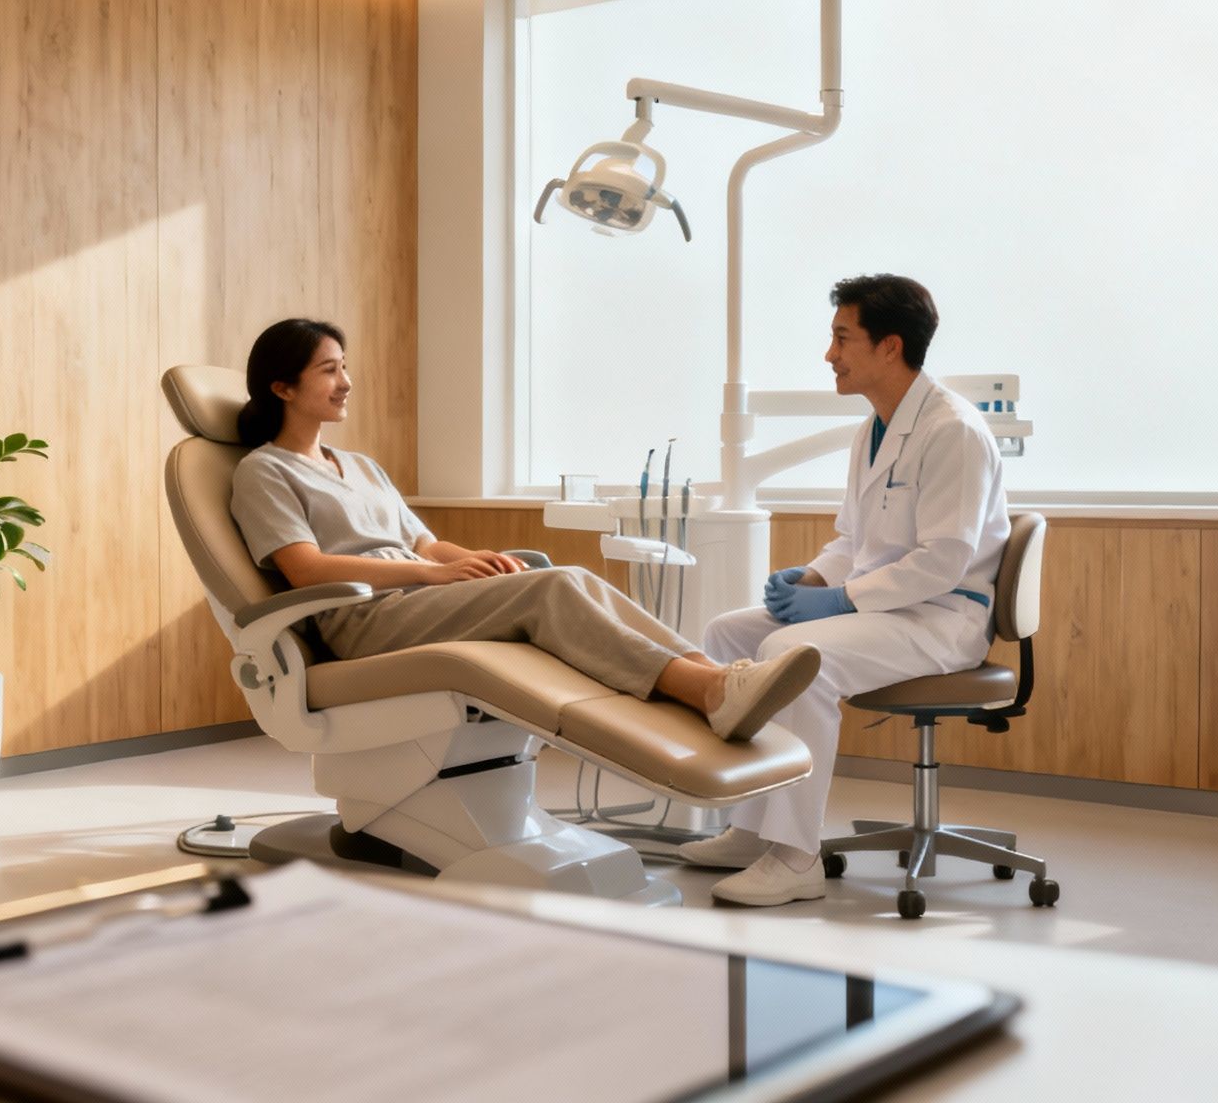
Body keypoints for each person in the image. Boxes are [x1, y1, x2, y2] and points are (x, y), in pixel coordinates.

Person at [228, 317, 819, 742]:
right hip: (363, 619)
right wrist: (432, 574)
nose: (346, 382)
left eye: (345, 367)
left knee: (561, 574)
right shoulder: (264, 471)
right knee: (551, 590)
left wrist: (475, 560)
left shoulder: (359, 466)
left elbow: (427, 543)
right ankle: (709, 692)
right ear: (283, 387)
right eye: (329, 371)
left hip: (416, 596)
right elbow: (304, 568)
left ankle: (716, 676)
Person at [689, 275, 1010, 908]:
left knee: (803, 655)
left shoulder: (954, 431)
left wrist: (838, 602)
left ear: (889, 347)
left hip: (942, 617)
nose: (829, 354)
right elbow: (852, 540)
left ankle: (795, 855)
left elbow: (943, 560)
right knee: (728, 632)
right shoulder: (875, 429)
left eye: (842, 337)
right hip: (887, 610)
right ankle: (752, 829)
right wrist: (808, 580)